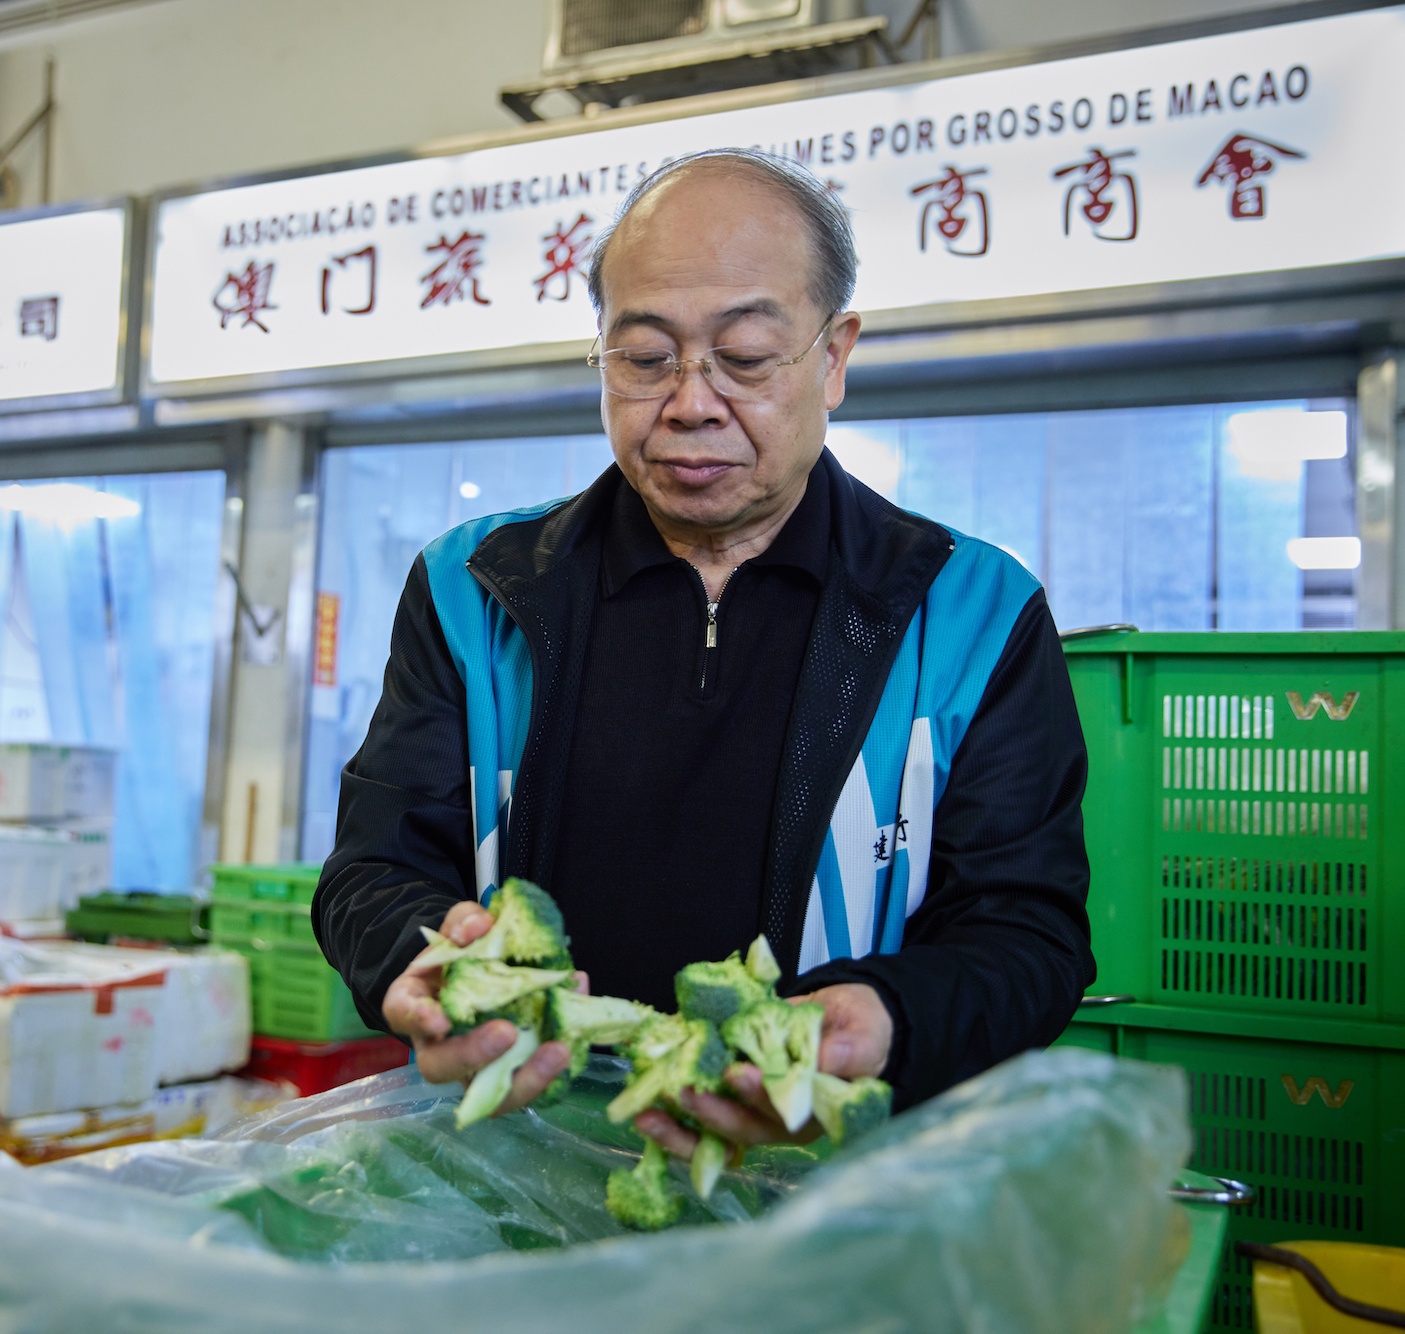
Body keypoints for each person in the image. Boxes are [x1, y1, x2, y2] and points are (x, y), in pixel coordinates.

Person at [313, 147, 1093, 1163]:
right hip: (520, 1165)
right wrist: (413, 958)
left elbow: (1028, 939)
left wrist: (885, 1019)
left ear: (832, 354)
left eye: (746, 355)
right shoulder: (472, 588)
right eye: (644, 356)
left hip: (825, 1193)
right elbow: (371, 871)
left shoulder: (969, 608)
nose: (689, 400)